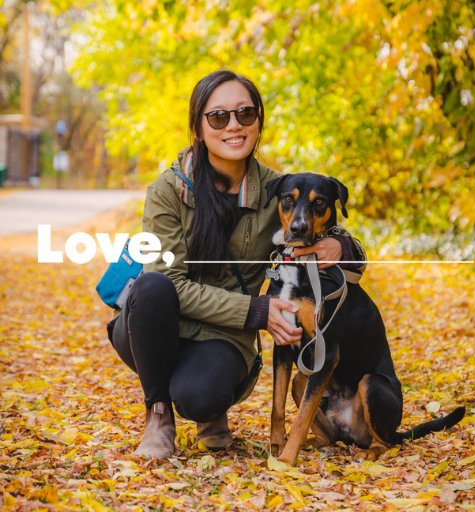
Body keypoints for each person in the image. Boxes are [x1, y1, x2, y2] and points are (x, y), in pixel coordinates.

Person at [106, 69, 367, 459]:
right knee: (152, 286)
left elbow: (354, 256)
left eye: (245, 114)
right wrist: (258, 310)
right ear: (198, 125)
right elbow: (169, 281)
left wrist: (337, 241)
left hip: (224, 336)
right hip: (157, 326)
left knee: (199, 395)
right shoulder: (167, 191)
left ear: (258, 121)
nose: (233, 125)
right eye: (218, 116)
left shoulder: (281, 192)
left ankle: (208, 408)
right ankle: (158, 414)